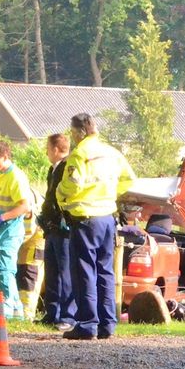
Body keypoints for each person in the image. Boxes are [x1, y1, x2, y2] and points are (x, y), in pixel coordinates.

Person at [56, 113, 136, 340]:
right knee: (105, 271)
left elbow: (72, 184)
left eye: (72, 133)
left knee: (84, 272)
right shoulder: (111, 152)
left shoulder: (79, 154)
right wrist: (111, 194)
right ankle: (107, 323)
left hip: (85, 218)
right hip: (107, 217)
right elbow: (130, 179)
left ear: (78, 132)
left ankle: (87, 323)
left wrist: (59, 194)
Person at [0, 140, 33, 320]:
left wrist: (0, 218)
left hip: (10, 231)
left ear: (5, 156)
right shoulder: (0, 176)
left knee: (5, 270)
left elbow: (25, 206)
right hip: (0, 231)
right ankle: (16, 309)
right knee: (2, 269)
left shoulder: (16, 177)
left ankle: (7, 308)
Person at [38, 133, 76, 330]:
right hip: (51, 227)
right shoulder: (52, 169)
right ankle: (52, 313)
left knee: (65, 272)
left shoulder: (66, 167)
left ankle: (68, 316)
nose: (46, 151)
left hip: (63, 229)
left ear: (54, 149)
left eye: (47, 147)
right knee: (51, 271)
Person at [17, 189, 45, 319]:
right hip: (25, 238)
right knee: (21, 274)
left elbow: (28, 229)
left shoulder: (25, 201)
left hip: (35, 237)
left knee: (29, 275)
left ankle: (27, 315)